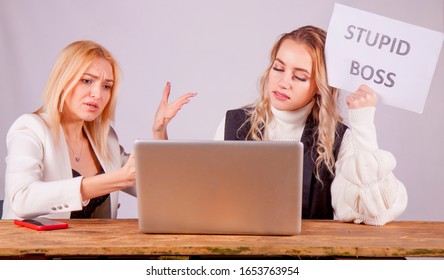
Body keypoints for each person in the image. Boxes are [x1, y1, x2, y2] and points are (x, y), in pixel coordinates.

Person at [214, 25, 407, 226]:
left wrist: (363, 123)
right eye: (278, 68)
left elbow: (374, 216)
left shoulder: (337, 139)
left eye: (299, 77)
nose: (283, 82)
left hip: (307, 256)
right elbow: (210, 201)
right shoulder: (233, 124)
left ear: (319, 86)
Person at [2, 40, 195, 220]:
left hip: (95, 252)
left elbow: (158, 188)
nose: (97, 94)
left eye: (106, 86)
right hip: (37, 252)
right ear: (63, 81)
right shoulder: (30, 128)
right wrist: (117, 179)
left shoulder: (106, 138)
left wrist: (159, 132)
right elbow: (21, 199)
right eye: (86, 81)